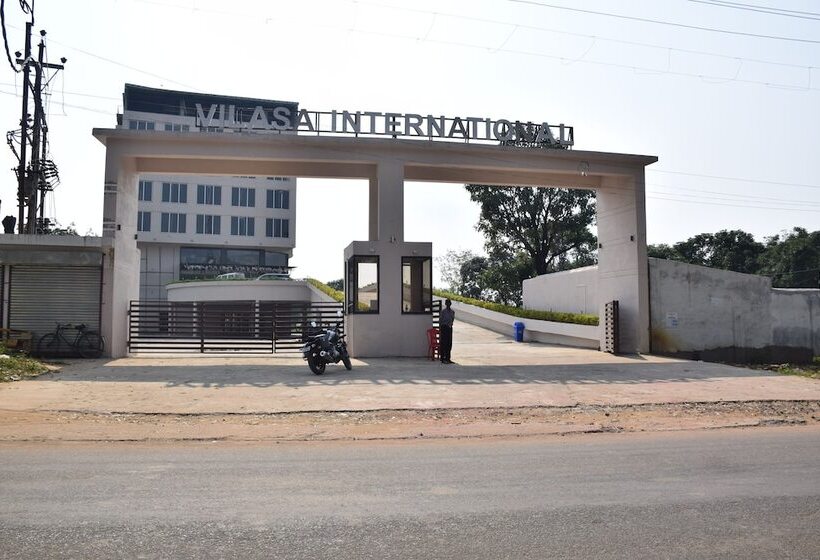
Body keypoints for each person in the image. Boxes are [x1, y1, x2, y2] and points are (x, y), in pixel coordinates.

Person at [439, 298, 455, 364]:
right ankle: (443, 358)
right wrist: (440, 329)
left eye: (449, 303)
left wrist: (450, 324)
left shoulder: (452, 312)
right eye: (447, 303)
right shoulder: (443, 312)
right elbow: (440, 320)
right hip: (444, 328)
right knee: (444, 343)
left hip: (449, 328)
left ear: (450, 304)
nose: (448, 304)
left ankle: (448, 358)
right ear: (445, 304)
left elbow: (452, 319)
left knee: (449, 343)